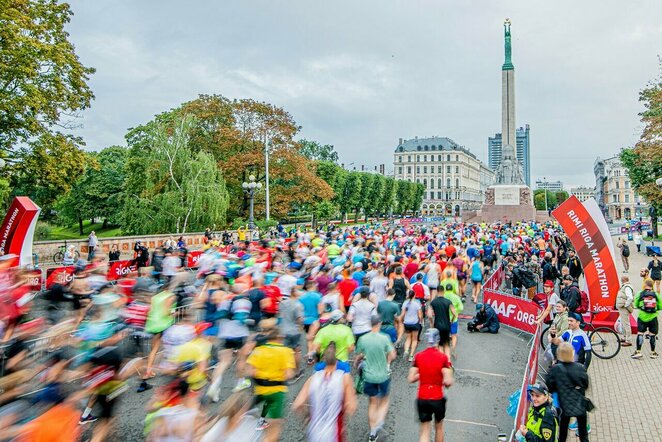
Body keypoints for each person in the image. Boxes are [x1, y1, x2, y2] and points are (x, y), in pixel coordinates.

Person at [293, 342, 357, 441]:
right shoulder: (343, 378)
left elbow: (297, 404)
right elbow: (351, 406)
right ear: (336, 361)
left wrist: (307, 415)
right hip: (334, 432)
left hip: (314, 432)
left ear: (324, 360)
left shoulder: (313, 378)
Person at [245, 318, 296, 441]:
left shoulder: (258, 350)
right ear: (280, 338)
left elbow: (250, 371)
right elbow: (289, 374)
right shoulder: (286, 351)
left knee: (252, 420)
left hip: (260, 391)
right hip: (277, 392)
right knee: (274, 428)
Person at [354, 316, 396, 441]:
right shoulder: (384, 338)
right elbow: (392, 355)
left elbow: (360, 354)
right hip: (383, 375)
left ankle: (372, 432)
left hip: (369, 376)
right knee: (384, 400)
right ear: (380, 323)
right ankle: (380, 421)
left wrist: (357, 362)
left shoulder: (363, 338)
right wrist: (386, 360)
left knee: (372, 403)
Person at [408, 328, 454, 442]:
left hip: (422, 397)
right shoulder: (443, 358)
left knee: (424, 429)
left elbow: (411, 378)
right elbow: (448, 382)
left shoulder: (418, 356)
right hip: (437, 397)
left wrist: (422, 374)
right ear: (438, 340)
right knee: (439, 427)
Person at [545, 342, 590, 442]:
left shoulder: (555, 369)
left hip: (564, 405)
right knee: (583, 434)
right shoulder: (580, 367)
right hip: (580, 404)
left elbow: (550, 386)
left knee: (563, 433)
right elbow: (586, 384)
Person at [631, 279, 661, 359]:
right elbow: (660, 306)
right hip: (653, 317)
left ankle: (638, 352)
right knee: (652, 335)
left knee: (640, 333)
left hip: (642, 317)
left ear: (645, 285)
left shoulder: (640, 293)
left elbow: (636, 305)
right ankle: (653, 353)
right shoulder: (656, 294)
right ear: (652, 285)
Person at [427, 285, 456, 358]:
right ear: (444, 291)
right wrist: (452, 320)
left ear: (437, 291)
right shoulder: (448, 301)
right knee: (446, 344)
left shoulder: (433, 302)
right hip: (446, 325)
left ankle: (442, 360)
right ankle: (448, 361)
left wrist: (431, 323)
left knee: (440, 345)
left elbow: (429, 315)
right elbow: (454, 313)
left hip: (437, 326)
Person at [400, 289, 423, 362]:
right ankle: (411, 355)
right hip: (415, 323)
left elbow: (403, 314)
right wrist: (421, 321)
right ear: (414, 295)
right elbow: (420, 315)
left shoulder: (405, 303)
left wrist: (402, 320)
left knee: (408, 338)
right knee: (414, 339)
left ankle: (406, 351)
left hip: (407, 323)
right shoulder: (417, 303)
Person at [615, 275, 634, 346]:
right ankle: (624, 337)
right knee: (623, 323)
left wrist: (626, 305)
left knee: (626, 323)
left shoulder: (627, 287)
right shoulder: (626, 286)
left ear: (623, 280)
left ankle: (628, 340)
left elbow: (630, 297)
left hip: (624, 307)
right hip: (622, 307)